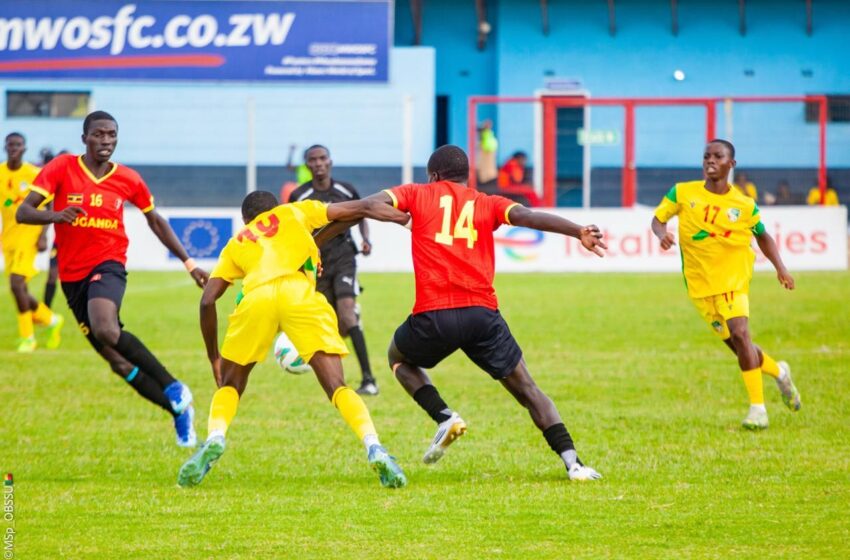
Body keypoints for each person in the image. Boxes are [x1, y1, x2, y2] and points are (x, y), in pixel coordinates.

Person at [373, 145, 606, 481]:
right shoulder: (487, 202)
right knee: (527, 389)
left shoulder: (417, 194)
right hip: (481, 316)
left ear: (434, 176)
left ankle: (443, 416)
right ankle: (574, 464)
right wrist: (577, 231)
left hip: (434, 315)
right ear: (465, 176)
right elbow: (527, 216)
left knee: (398, 358)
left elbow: (372, 204)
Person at [177, 190, 411, 488]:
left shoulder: (238, 240)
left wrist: (214, 357)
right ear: (277, 207)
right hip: (299, 296)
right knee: (337, 386)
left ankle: (214, 438)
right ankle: (374, 446)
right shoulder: (295, 212)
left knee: (231, 385)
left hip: (256, 298)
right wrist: (402, 219)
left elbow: (207, 301)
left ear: (247, 219)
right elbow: (356, 210)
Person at [16, 111, 209, 447]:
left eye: (111, 135)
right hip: (72, 276)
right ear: (84, 138)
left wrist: (189, 263)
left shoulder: (129, 179)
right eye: (99, 135)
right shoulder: (61, 168)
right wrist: (56, 215)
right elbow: (24, 211)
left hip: (108, 263)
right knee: (117, 362)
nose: (106, 141)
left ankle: (173, 385)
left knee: (107, 328)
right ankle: (179, 411)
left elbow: (156, 221)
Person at [651, 139, 801, 430]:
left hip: (734, 280)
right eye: (706, 156)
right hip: (700, 287)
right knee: (740, 348)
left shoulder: (744, 205)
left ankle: (758, 410)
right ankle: (780, 372)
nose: (710, 160)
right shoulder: (682, 192)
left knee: (742, 334)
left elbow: (763, 235)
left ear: (730, 164)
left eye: (718, 156)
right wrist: (662, 234)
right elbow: (657, 220)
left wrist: (781, 268)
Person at [287, 145, 379, 395]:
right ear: (307, 165)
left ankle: (369, 380)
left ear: (330, 162)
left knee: (348, 315)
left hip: (344, 257)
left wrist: (365, 239)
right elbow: (291, 230)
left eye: (322, 158)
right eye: (313, 160)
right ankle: (337, 385)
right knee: (331, 325)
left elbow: (362, 214)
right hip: (315, 264)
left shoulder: (345, 190)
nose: (318, 163)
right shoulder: (299, 195)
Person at [0, 132, 64, 352]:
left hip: (29, 236)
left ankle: (28, 338)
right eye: (10, 145)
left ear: (24, 149)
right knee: (20, 289)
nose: (14, 148)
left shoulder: (34, 174)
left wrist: (44, 234)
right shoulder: (0, 173)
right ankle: (50, 319)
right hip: (8, 237)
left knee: (17, 284)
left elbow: (49, 204)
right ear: (5, 147)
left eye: (18, 145)